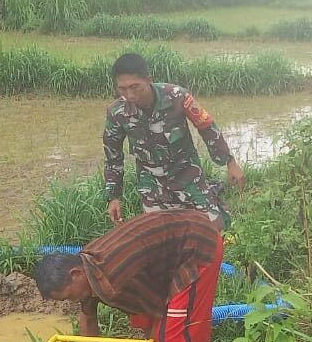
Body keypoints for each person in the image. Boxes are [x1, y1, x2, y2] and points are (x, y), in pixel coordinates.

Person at [34, 209, 224, 342]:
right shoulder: (89, 270)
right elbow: (88, 318)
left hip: (197, 245)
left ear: (75, 274)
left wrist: (162, 332)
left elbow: (157, 308)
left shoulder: (113, 274)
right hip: (169, 249)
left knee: (172, 339)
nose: (73, 301)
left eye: (69, 296)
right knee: (150, 326)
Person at [104, 53, 245, 231]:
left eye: (134, 87)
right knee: (160, 237)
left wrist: (230, 162)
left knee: (215, 229)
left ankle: (212, 194)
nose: (129, 95)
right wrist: (113, 197)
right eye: (122, 89)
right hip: (152, 182)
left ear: (148, 80)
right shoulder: (116, 112)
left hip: (187, 173)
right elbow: (112, 157)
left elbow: (207, 127)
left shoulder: (178, 96)